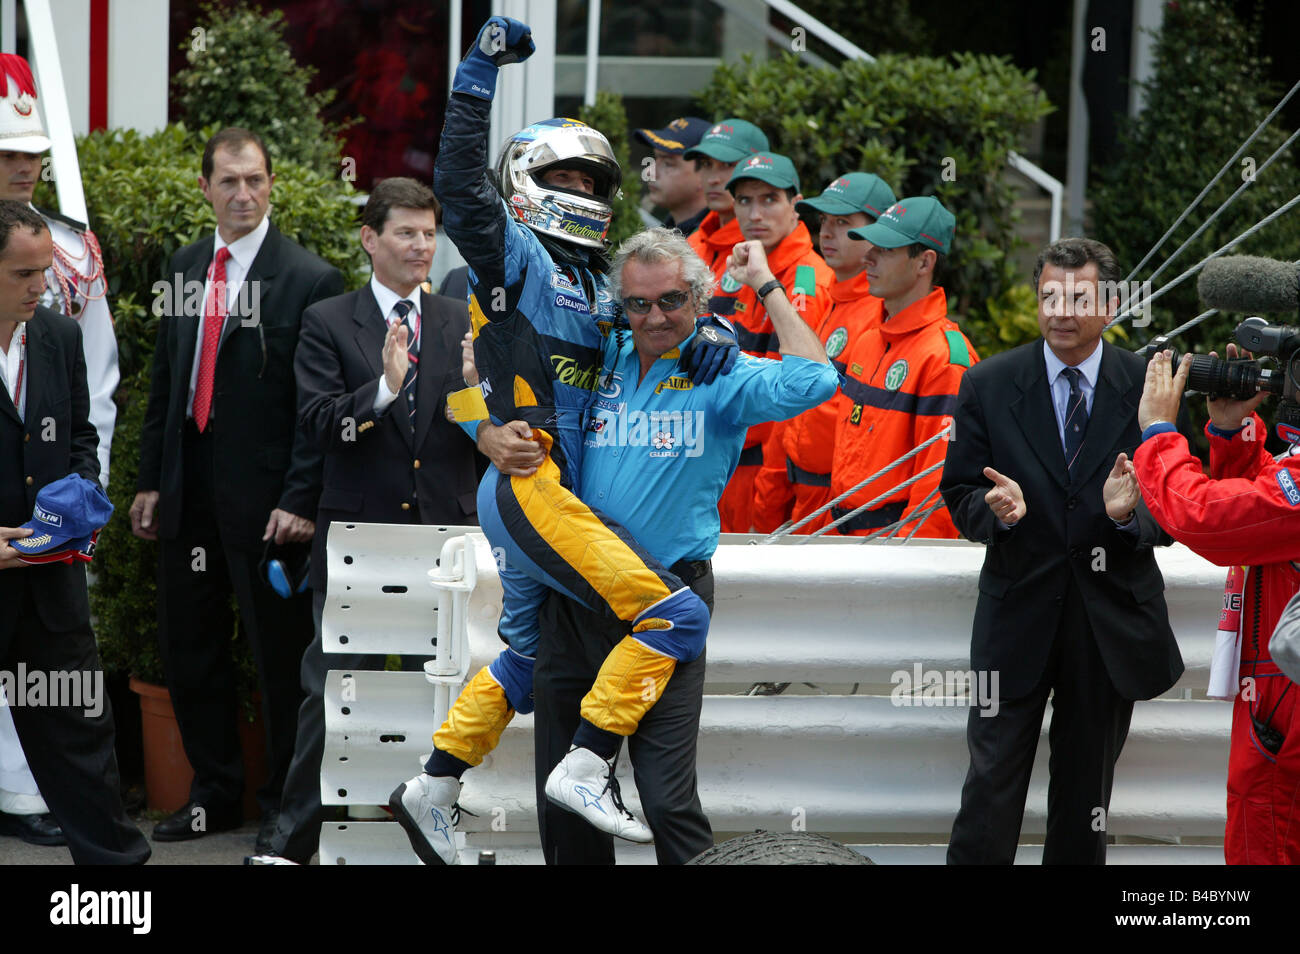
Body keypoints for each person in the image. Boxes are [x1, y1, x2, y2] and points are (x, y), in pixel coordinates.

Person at [388, 16, 736, 865]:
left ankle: (432, 784)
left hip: (552, 493)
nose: (579, 186)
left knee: (528, 653)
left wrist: (715, 330)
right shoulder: (514, 260)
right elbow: (463, 187)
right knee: (675, 614)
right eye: (562, 175)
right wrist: (477, 72)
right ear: (525, 184)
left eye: (591, 175)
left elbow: (661, 324)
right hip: (532, 489)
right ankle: (587, 762)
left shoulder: (591, 277)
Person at [532, 227, 838, 863]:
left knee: (666, 795)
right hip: (579, 591)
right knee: (567, 800)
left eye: (671, 301)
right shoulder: (601, 353)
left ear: (699, 301)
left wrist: (764, 286)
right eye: (639, 304)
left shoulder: (719, 370)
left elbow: (817, 381)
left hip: (669, 601)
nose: (655, 317)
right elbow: (489, 360)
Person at [246, 178, 482, 864]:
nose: (421, 246)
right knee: (329, 691)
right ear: (369, 239)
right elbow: (318, 426)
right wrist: (382, 388)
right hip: (355, 539)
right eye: (405, 232)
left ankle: (429, 838)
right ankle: (291, 844)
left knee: (439, 689)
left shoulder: (458, 320)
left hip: (446, 536)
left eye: (429, 233)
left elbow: (479, 436)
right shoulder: (327, 320)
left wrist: (474, 398)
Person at [131, 127, 344, 850]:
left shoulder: (309, 278)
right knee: (188, 649)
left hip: (268, 508)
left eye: (255, 180)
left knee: (279, 659)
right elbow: (167, 381)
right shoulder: (186, 265)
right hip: (187, 493)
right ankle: (212, 795)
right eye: (229, 182)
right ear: (205, 189)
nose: (244, 194)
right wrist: (151, 483)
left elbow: (315, 412)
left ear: (272, 183)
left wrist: (299, 500)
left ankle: (286, 812)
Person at [939, 237, 1184, 864]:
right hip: (1016, 615)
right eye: (1050, 295)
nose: (1061, 311)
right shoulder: (990, 383)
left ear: (1111, 305)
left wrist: (1130, 519)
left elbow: (1181, 501)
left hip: (1107, 625)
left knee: (1084, 804)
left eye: (1079, 297)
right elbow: (960, 491)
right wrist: (995, 514)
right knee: (989, 791)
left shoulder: (1146, 385)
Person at [0, 200, 148, 864]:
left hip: (52, 590)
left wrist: (76, 510)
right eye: (24, 274)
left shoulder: (59, 336)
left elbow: (83, 442)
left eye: (43, 272)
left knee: (84, 743)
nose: (41, 285)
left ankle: (118, 884)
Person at [0, 52, 120, 846]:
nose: (23, 166)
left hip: (48, 575)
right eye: (7, 152)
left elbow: (89, 412)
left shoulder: (63, 284)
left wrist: (81, 507)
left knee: (77, 737)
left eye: (30, 152)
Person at [1132, 347, 1300, 864]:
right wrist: (1233, 430)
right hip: (1278, 682)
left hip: (1285, 690)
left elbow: (1202, 516)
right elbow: (1263, 506)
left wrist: (1160, 432)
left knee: (1265, 839)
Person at [753, 172, 895, 533]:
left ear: (878, 233)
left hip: (841, 506)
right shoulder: (830, 296)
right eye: (825, 222)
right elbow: (794, 404)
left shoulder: (880, 313)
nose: (827, 233)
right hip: (803, 496)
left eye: (844, 223)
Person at [826, 197, 977, 538]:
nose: (868, 257)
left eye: (886, 249)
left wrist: (905, 573)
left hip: (890, 550)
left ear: (924, 262)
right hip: (840, 536)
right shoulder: (869, 339)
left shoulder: (945, 358)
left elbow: (937, 488)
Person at [712, 151, 833, 533]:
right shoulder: (737, 265)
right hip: (724, 456)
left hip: (764, 466)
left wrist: (772, 485)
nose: (755, 214)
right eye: (745, 200)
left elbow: (803, 390)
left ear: (796, 205)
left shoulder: (808, 278)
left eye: (769, 199)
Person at [681, 118, 769, 280]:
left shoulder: (767, 249)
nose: (713, 179)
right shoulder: (693, 242)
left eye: (727, 165)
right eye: (707, 164)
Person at [632, 116, 711, 236]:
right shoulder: (671, 231)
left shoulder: (715, 241)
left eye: (668, 164)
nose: (649, 172)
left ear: (705, 174)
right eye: (655, 158)